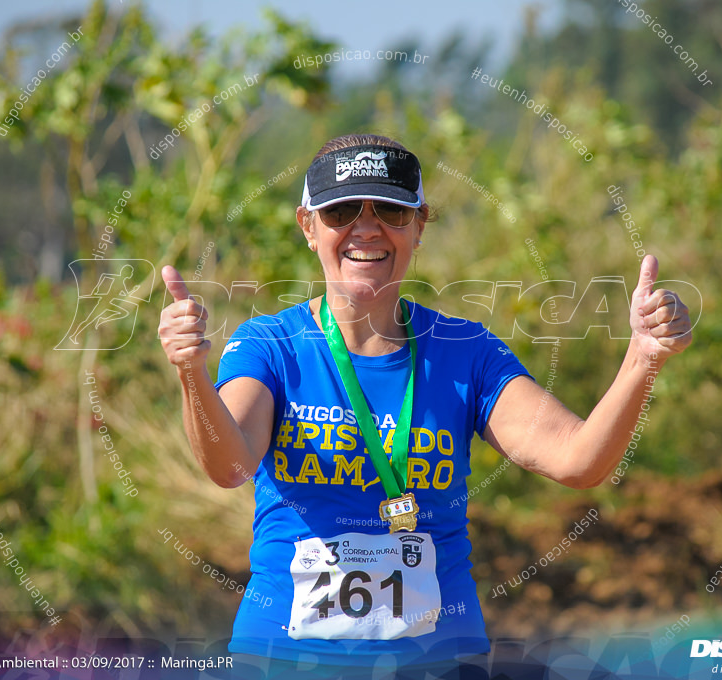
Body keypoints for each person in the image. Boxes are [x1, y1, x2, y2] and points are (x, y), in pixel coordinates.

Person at [157, 133, 692, 678]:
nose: (366, 228)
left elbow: (579, 461)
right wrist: (190, 373)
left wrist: (642, 361)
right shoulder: (269, 344)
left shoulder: (468, 351)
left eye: (389, 209)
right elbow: (229, 466)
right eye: (342, 210)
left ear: (419, 225)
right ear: (308, 227)